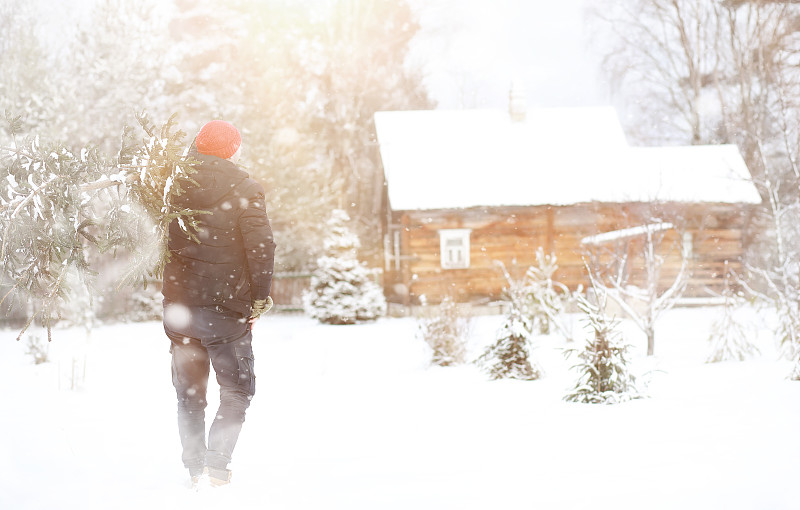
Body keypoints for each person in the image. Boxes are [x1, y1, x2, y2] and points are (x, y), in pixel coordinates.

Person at [161, 120, 276, 487]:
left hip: (180, 311)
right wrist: (259, 296)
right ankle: (216, 467)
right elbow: (261, 248)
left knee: (189, 395)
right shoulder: (245, 188)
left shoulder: (174, 187)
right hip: (226, 311)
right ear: (232, 151)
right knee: (237, 390)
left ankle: (195, 470)